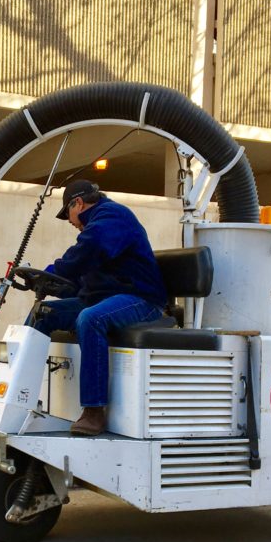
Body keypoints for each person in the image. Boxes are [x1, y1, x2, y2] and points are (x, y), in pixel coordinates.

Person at [29, 179, 167, 436]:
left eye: (67, 214)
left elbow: (89, 249)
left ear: (78, 203)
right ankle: (22, 394)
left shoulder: (112, 215)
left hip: (141, 299)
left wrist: (53, 270)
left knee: (90, 318)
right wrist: (46, 281)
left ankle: (94, 411)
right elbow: (82, 281)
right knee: (43, 313)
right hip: (107, 298)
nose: (70, 221)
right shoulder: (96, 228)